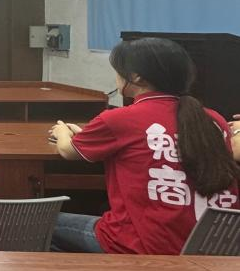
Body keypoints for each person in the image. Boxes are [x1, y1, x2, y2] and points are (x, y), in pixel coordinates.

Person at [49, 38, 240, 254]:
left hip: (144, 246)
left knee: (38, 224)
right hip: (215, 248)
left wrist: (62, 132)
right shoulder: (213, 119)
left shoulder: (119, 119)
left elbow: (68, 150)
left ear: (136, 76)